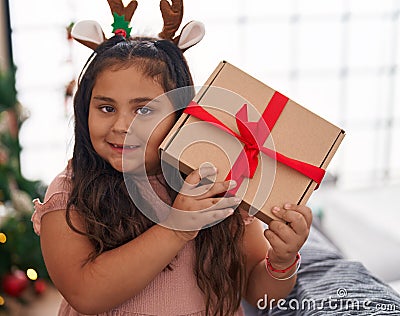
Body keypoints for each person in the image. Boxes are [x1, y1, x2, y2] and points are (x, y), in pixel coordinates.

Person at [32, 1, 313, 315]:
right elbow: (86, 294)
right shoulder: (69, 193)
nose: (122, 126)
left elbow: (257, 292)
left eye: (144, 110)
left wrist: (281, 262)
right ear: (85, 110)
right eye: (106, 108)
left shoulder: (217, 178)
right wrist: (176, 227)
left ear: (180, 114)